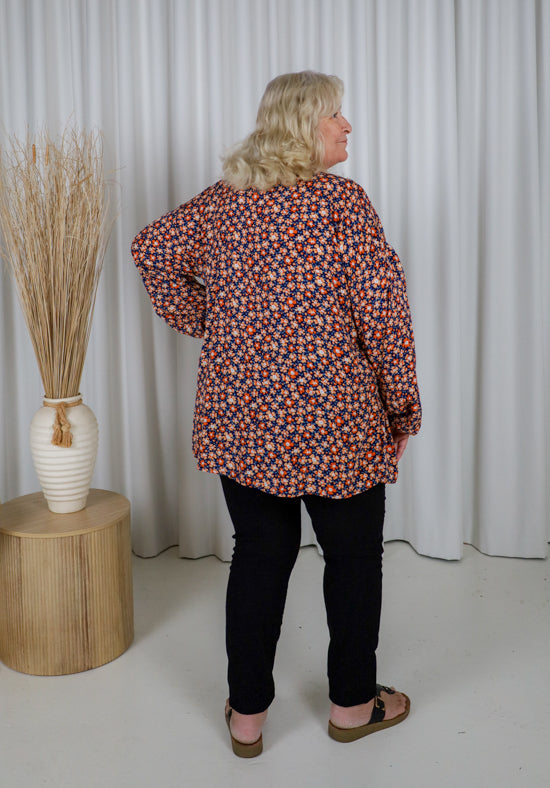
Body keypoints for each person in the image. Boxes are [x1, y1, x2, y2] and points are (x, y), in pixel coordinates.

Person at [131, 70, 421, 758]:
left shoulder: (224, 204)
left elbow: (151, 250)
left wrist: (211, 320)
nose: (347, 126)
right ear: (300, 128)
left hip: (245, 414)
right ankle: (353, 705)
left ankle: (247, 720)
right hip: (336, 418)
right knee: (353, 559)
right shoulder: (343, 204)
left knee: (260, 556)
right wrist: (401, 409)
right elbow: (385, 318)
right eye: (334, 116)